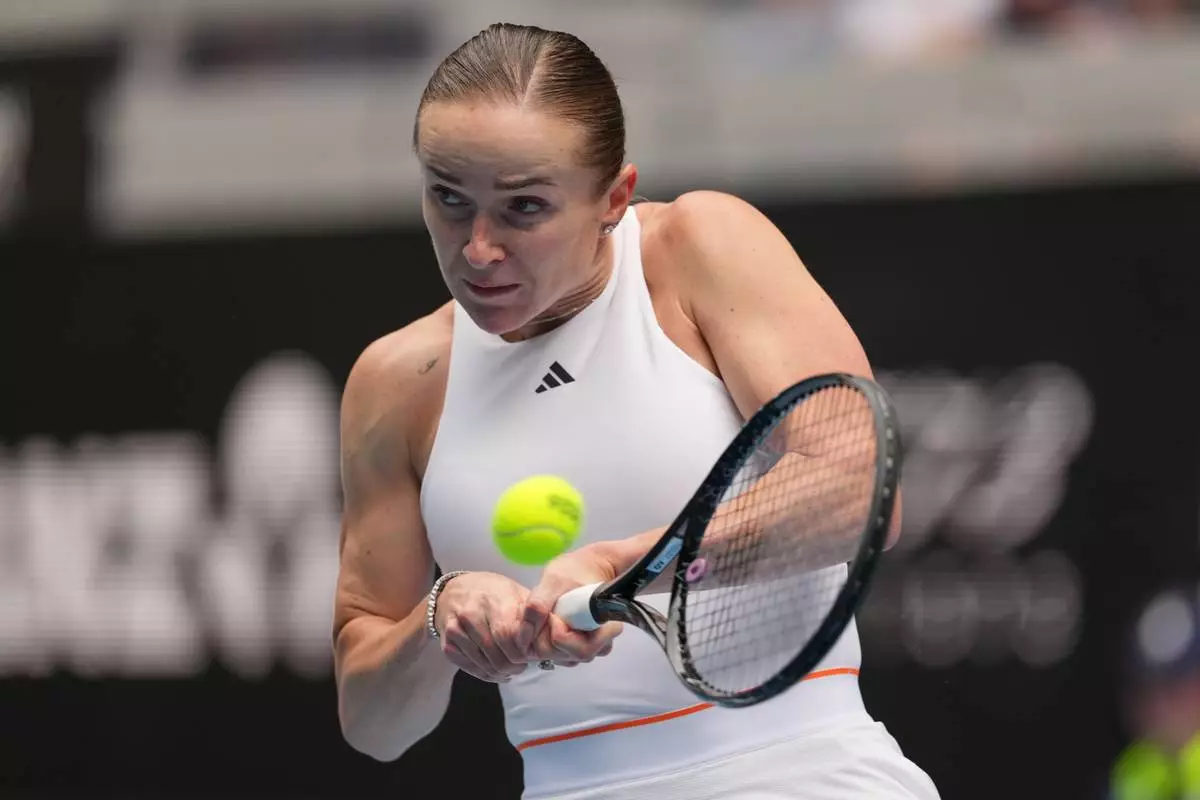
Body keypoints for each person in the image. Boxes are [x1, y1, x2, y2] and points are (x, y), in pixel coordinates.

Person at [333, 22, 940, 800]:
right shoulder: (395, 381)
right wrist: (440, 619)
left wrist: (623, 564)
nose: (478, 248)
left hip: (806, 774)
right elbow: (372, 724)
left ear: (614, 198)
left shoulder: (700, 245)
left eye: (524, 207)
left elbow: (864, 491)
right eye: (449, 198)